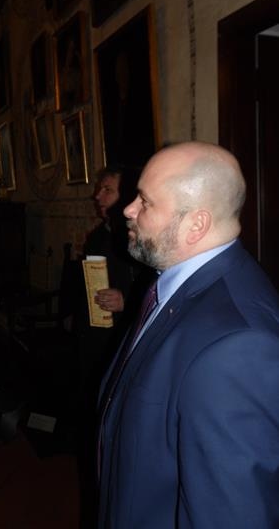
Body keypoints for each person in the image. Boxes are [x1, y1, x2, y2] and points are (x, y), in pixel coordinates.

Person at [97, 141, 279, 528]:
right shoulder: (178, 282)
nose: (128, 209)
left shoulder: (236, 346)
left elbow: (230, 514)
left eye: (145, 202)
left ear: (196, 225)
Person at [71, 164, 152, 529]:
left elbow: (157, 296)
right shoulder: (97, 237)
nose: (97, 197)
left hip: (123, 346)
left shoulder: (140, 240)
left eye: (107, 190)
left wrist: (126, 302)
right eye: (99, 189)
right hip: (94, 342)